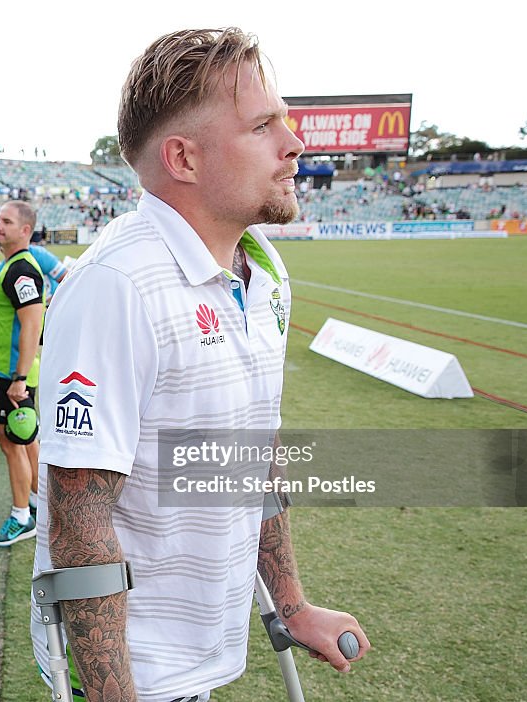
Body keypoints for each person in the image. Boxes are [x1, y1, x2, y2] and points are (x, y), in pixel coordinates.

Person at [31, 27, 370, 700]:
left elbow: (250, 454)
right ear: (184, 158)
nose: (294, 143)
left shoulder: (263, 273)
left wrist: (293, 602)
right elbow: (79, 517)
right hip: (143, 674)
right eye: (263, 126)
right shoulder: (117, 287)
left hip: (206, 652)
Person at [0, 201, 45, 547]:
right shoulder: (13, 266)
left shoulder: (21, 269)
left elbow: (31, 323)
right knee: (25, 441)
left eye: (6, 221)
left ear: (25, 230)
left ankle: (21, 516)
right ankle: (37, 501)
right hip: (10, 373)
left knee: (13, 446)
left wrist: (19, 378)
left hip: (8, 376)